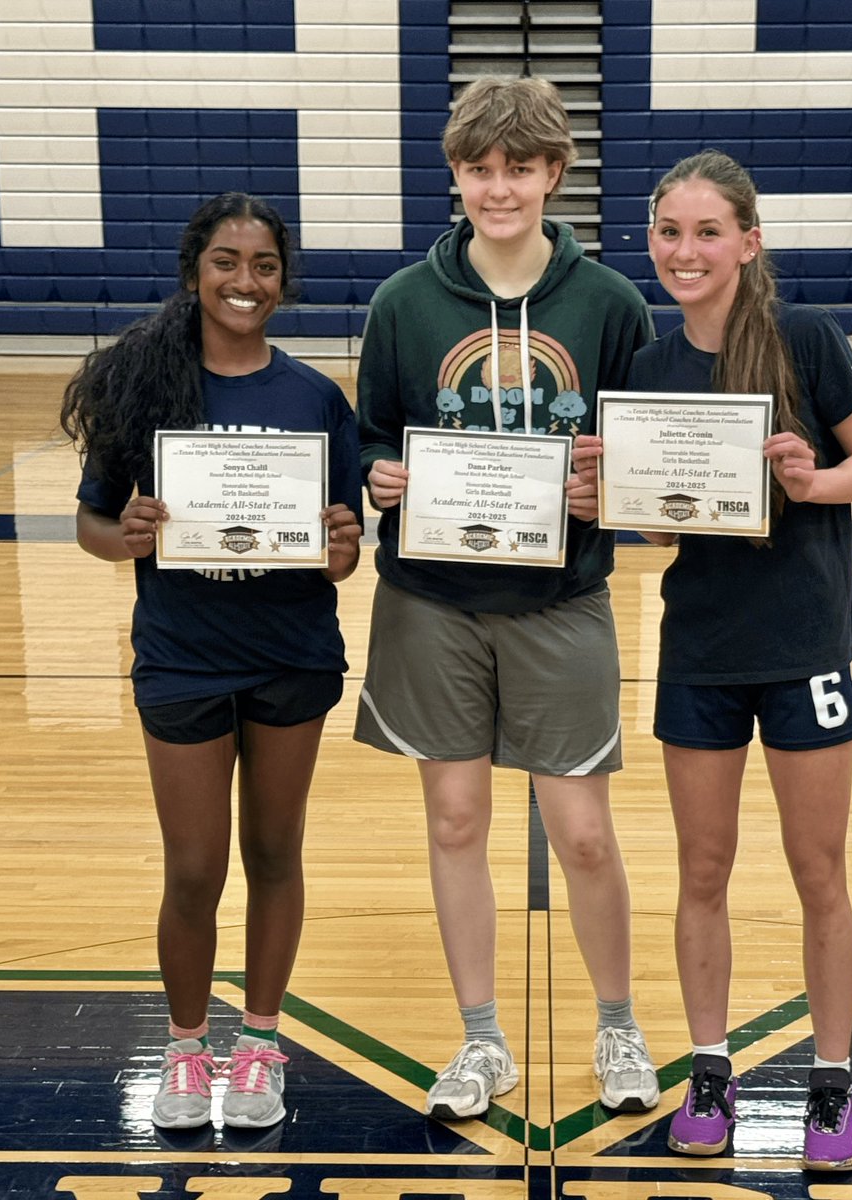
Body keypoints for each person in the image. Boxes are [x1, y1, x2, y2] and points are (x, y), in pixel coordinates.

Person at [353, 75, 659, 1121]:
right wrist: (381, 475)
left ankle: (618, 1026)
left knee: (580, 832)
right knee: (453, 818)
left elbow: (643, 458)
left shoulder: (611, 306)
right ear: (455, 174)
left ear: (554, 175)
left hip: (560, 601)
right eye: (479, 168)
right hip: (431, 600)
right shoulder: (401, 303)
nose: (498, 187)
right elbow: (375, 432)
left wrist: (603, 486)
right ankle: (481, 1041)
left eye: (518, 168)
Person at [60, 193, 363, 1132]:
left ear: (285, 279)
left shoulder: (315, 397)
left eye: (264, 264)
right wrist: (134, 537)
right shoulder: (142, 385)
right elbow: (91, 525)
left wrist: (336, 543)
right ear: (196, 270)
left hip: (291, 654)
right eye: (227, 261)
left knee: (275, 854)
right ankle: (186, 1050)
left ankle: (260, 1042)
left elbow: (347, 550)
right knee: (194, 869)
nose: (245, 280)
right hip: (184, 660)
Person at [616, 149, 852, 1169]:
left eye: (704, 232)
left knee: (818, 871)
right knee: (702, 868)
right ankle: (708, 1069)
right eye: (668, 232)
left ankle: (831, 1085)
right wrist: (625, 501)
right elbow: (659, 533)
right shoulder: (648, 366)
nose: (684, 251)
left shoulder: (803, 340)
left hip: (802, 644)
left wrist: (813, 481)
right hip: (698, 648)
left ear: (746, 242)